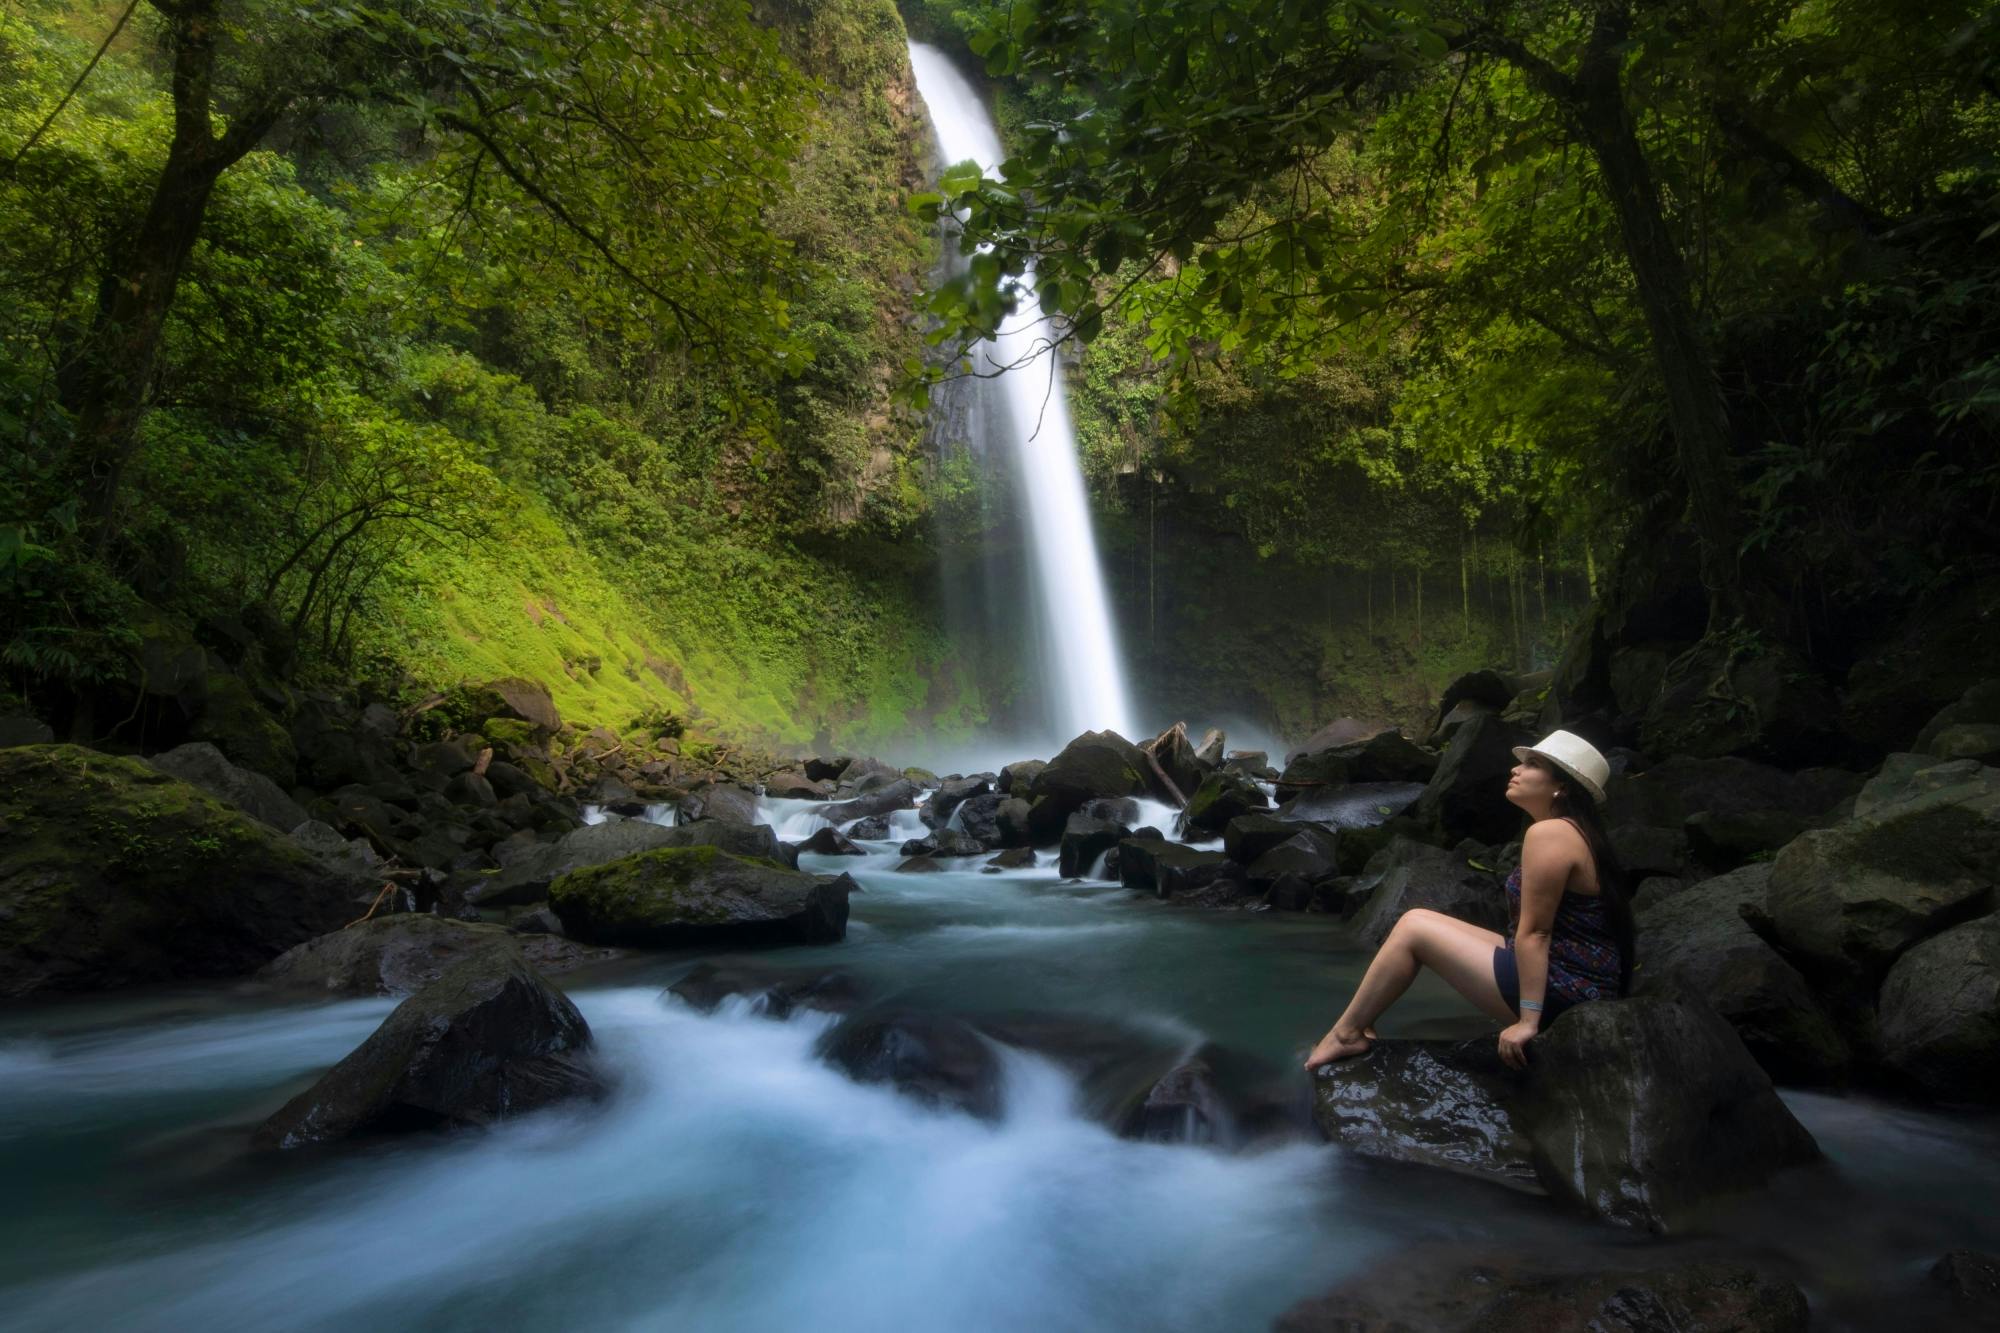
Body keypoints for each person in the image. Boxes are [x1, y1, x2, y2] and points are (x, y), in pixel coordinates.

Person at [1303, 729, 1635, 1072]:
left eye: (1532, 765)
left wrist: (1528, 1022)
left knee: (1414, 929)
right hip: (1581, 980)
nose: (1515, 770)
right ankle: (1356, 1026)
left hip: (1566, 992)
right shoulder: (1575, 831)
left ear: (1562, 787)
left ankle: (1346, 1034)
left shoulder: (1551, 833)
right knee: (1416, 917)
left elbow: (1536, 932)